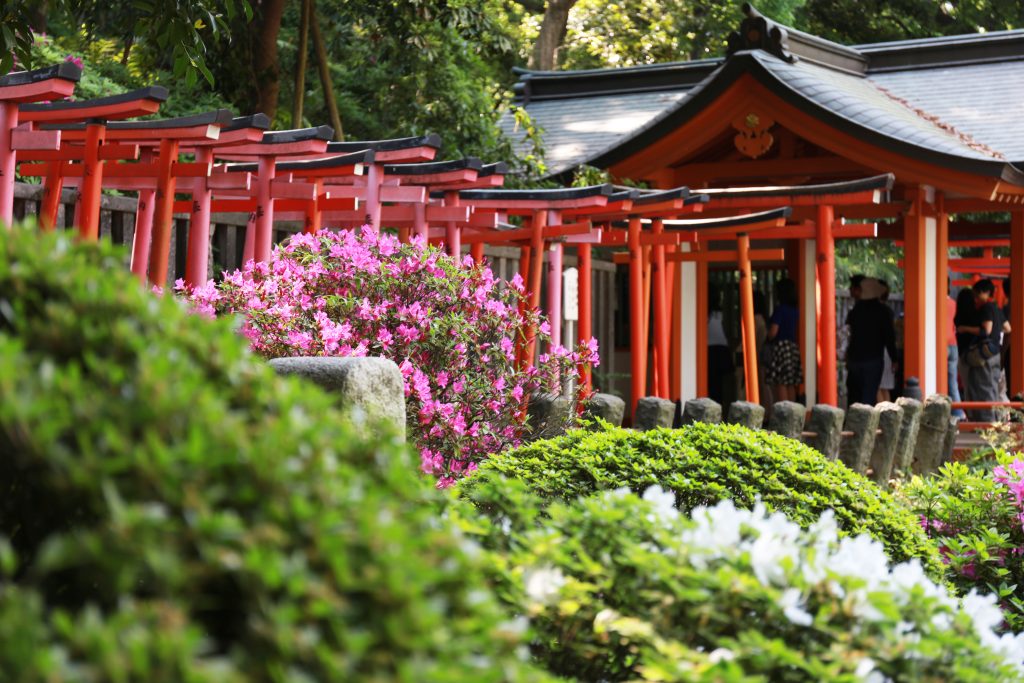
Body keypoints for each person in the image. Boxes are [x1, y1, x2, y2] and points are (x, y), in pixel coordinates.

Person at [958, 279, 1011, 422]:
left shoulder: (986, 308)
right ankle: (997, 419)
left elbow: (985, 330)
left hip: (985, 353)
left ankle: (987, 423)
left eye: (976, 294)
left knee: (984, 387)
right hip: (995, 352)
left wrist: (964, 328)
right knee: (994, 388)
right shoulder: (997, 308)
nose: (975, 298)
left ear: (984, 292)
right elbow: (1008, 328)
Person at [845, 277, 897, 406]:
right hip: (873, 359)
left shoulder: (855, 311)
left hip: (854, 359)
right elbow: (889, 337)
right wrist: (894, 358)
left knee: (854, 396)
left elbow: (849, 335)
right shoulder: (883, 312)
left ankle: (852, 422)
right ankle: (865, 423)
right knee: (868, 396)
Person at [766, 278, 801, 402]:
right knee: (790, 382)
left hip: (781, 346)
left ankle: (783, 413)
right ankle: (793, 412)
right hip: (793, 346)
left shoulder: (780, 309)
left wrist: (767, 337)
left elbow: (773, 332)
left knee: (780, 382)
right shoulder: (796, 310)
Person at [707, 284, 733, 406]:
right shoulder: (721, 313)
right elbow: (727, 332)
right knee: (720, 383)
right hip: (722, 348)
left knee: (711, 382)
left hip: (709, 349)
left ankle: (713, 407)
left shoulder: (704, 312)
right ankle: (721, 408)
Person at [947, 284, 966, 420]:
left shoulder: (937, 302)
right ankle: (958, 412)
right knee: (952, 380)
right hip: (953, 343)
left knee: (940, 380)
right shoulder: (953, 303)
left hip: (942, 344)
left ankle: (954, 412)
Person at [876, 280, 896, 403]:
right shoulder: (889, 310)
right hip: (888, 351)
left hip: (879, 350)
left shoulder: (878, 310)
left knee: (877, 386)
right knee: (885, 387)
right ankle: (888, 415)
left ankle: (882, 415)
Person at [753, 290, 771, 409]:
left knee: (761, 384)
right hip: (766, 355)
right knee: (766, 385)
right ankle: (768, 410)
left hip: (758, 355)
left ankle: (763, 411)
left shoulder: (755, 318)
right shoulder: (765, 319)